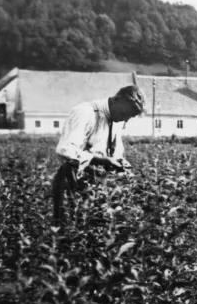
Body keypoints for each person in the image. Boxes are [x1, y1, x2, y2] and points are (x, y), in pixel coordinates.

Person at [51, 85, 146, 225]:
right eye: (124, 114)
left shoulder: (117, 121)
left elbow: (115, 152)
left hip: (97, 183)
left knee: (96, 229)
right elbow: (65, 149)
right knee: (68, 228)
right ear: (116, 100)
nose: (124, 120)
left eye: (128, 118)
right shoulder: (85, 112)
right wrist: (101, 160)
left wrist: (120, 162)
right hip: (73, 179)